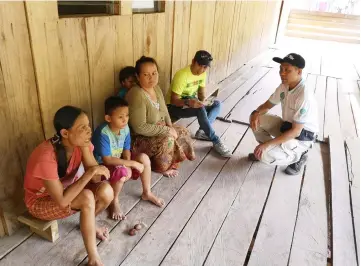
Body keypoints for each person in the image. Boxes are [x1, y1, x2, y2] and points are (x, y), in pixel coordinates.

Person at [24, 106, 114, 266]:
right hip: (40, 202)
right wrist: (90, 172)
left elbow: (98, 178)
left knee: (106, 191)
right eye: (82, 128)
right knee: (87, 198)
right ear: (65, 133)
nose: (89, 131)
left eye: (88, 125)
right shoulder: (46, 156)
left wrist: (86, 151)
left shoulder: (80, 144)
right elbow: (63, 201)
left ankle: (89, 224)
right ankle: (93, 258)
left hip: (66, 191)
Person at [92, 96, 165, 221]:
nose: (125, 119)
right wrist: (130, 164)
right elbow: (107, 160)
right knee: (121, 171)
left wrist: (128, 164)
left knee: (144, 158)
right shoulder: (103, 132)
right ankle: (114, 201)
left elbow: (126, 149)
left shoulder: (125, 128)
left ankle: (147, 193)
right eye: (120, 117)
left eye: (127, 115)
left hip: (117, 161)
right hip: (101, 167)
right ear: (108, 118)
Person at [248, 53, 318, 175]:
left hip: (302, 137)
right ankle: (266, 150)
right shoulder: (284, 86)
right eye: (281, 69)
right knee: (256, 118)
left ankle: (300, 155)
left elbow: (296, 131)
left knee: (264, 155)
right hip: (287, 127)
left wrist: (267, 145)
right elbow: (266, 106)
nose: (282, 73)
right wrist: (255, 113)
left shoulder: (304, 95)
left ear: (299, 72)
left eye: (287, 70)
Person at [127, 56, 196, 178]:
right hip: (139, 138)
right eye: (146, 74)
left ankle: (175, 158)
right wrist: (167, 130)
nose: (151, 77)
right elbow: (139, 127)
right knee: (168, 139)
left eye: (154, 73)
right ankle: (160, 167)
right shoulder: (136, 94)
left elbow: (164, 110)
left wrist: (170, 126)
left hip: (158, 128)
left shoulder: (156, 88)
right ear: (138, 77)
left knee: (182, 130)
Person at [166, 50, 232, 158]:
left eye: (205, 67)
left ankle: (202, 131)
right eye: (200, 65)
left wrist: (204, 101)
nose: (202, 69)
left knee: (217, 104)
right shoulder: (182, 75)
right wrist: (189, 102)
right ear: (193, 61)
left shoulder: (203, 74)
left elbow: (201, 93)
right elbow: (174, 100)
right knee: (200, 109)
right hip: (174, 107)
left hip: (190, 101)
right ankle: (215, 140)